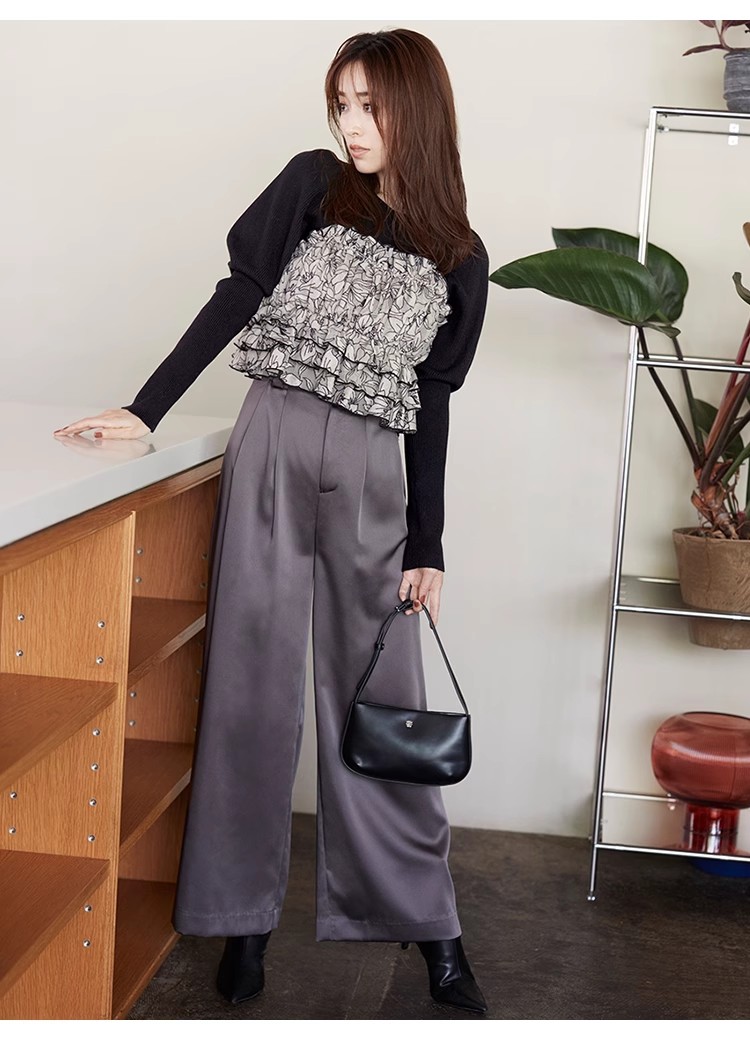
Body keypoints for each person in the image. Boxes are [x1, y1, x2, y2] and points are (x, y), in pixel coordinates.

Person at [53, 28, 490, 1016]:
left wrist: (428, 543)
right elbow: (241, 293)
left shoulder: (461, 257)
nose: (351, 124)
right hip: (272, 444)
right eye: (342, 103)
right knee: (248, 682)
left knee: (382, 700)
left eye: (370, 104)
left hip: (374, 473)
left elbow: (433, 402)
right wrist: (146, 408)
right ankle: (240, 919)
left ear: (418, 110)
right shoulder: (311, 185)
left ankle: (433, 930)